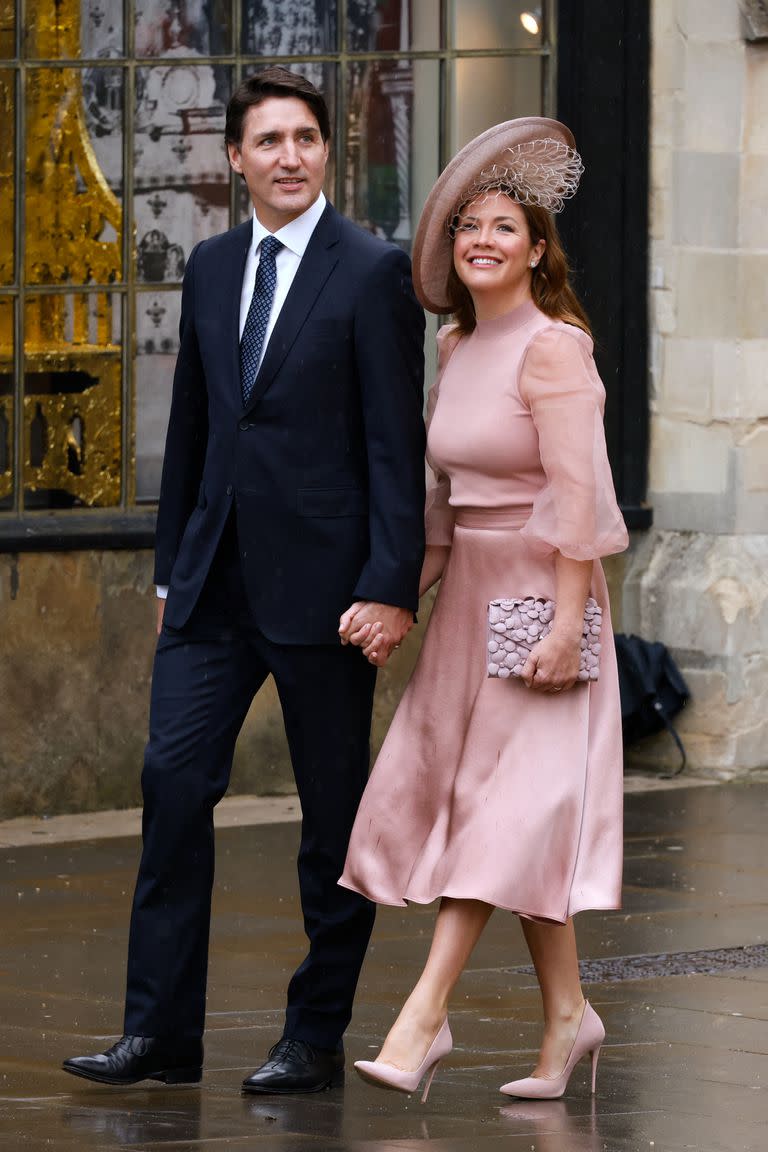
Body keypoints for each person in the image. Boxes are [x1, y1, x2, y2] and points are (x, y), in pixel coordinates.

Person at [62, 66, 426, 1094]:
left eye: (306, 138)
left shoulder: (371, 271)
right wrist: (173, 561)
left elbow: (399, 445)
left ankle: (312, 1037)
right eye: (268, 141)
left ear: (325, 152)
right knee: (172, 788)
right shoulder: (214, 266)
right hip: (212, 585)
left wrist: (391, 585)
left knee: (330, 821)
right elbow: (194, 427)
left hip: (329, 595)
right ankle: (160, 1033)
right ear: (235, 158)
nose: (289, 157)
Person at [338, 117, 629, 1103]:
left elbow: (579, 503)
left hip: (544, 604)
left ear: (538, 249)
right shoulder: (459, 345)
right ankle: (567, 1019)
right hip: (468, 609)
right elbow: (440, 507)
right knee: (501, 819)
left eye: (504, 226)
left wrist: (563, 624)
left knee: (496, 821)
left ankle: (423, 1017)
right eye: (468, 226)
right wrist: (399, 601)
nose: (483, 240)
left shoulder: (556, 351)